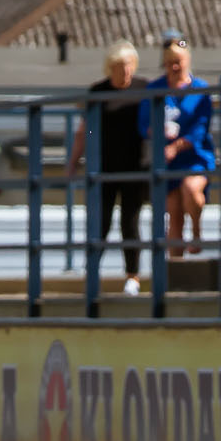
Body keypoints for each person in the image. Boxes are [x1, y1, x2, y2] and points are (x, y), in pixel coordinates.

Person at [79, 41, 149, 294]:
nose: (125, 71)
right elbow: (85, 130)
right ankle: (91, 275)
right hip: (104, 169)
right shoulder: (98, 91)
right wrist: (75, 160)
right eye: (120, 66)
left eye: (129, 65)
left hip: (135, 168)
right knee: (100, 223)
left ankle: (133, 276)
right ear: (110, 68)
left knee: (130, 222)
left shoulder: (144, 89)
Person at [139, 37, 214, 258]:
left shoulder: (200, 89)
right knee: (174, 213)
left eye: (178, 62)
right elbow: (144, 123)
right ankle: (174, 271)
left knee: (191, 189)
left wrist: (176, 146)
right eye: (169, 62)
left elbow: (200, 128)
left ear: (187, 61)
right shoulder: (155, 89)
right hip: (167, 160)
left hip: (195, 156)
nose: (174, 67)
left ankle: (197, 232)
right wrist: (157, 132)